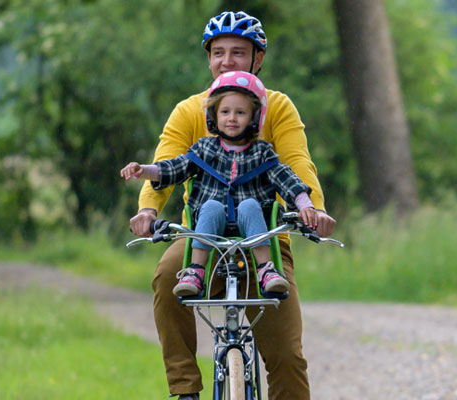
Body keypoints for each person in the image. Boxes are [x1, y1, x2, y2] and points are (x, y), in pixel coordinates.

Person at [127, 11, 335, 400]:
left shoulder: (277, 107)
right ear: (208, 59)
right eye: (218, 52)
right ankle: (185, 388)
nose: (226, 61)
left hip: (265, 242)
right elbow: (166, 166)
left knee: (288, 357)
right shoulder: (191, 111)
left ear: (258, 59)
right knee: (166, 276)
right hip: (199, 241)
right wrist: (147, 211)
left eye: (238, 52)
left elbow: (296, 165)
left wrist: (315, 210)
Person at [121, 71, 312, 296]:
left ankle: (266, 270)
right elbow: (173, 168)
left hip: (251, 227)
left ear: (254, 118)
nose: (232, 118)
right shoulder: (204, 150)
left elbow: (287, 179)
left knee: (251, 204)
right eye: (225, 112)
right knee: (210, 206)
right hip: (210, 226)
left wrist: (306, 206)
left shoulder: (262, 153)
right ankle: (195, 271)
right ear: (214, 115)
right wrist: (143, 171)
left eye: (240, 112)